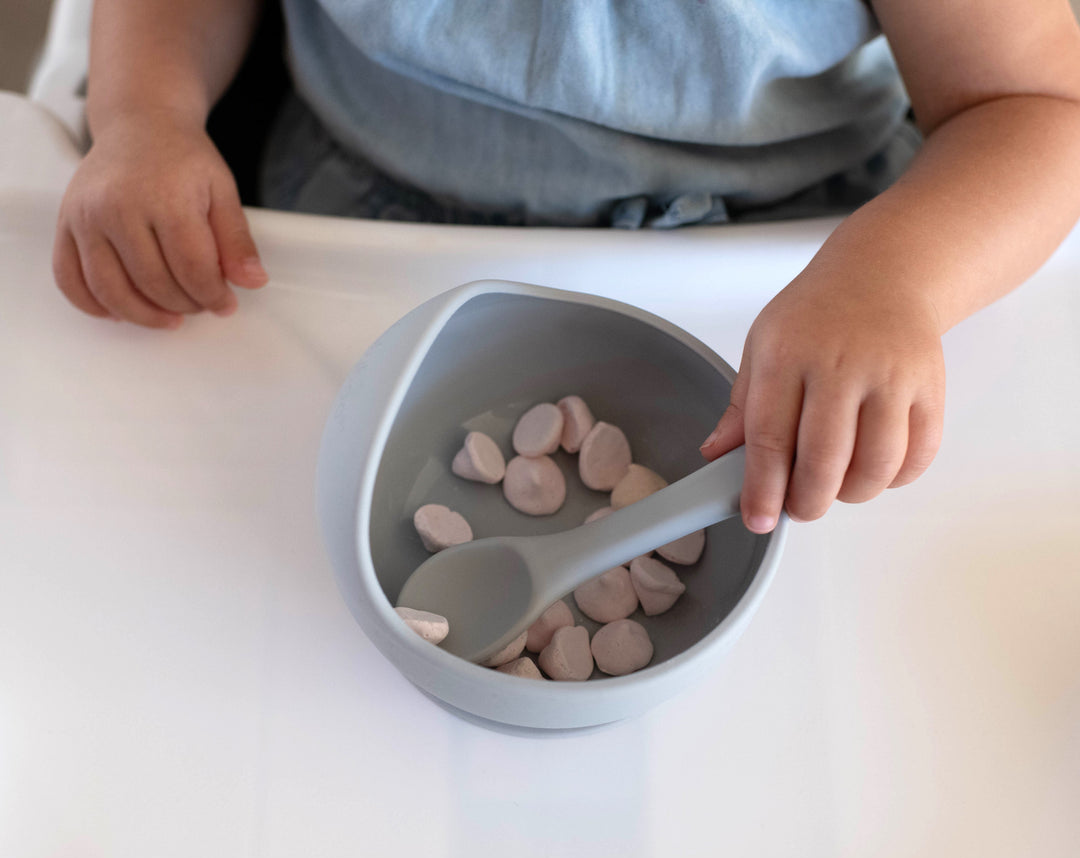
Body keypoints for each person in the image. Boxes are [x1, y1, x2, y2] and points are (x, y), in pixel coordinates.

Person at [52, 0, 1080, 535]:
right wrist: (144, 116)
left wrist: (893, 281)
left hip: (800, 259)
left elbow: (1036, 109)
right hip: (368, 207)